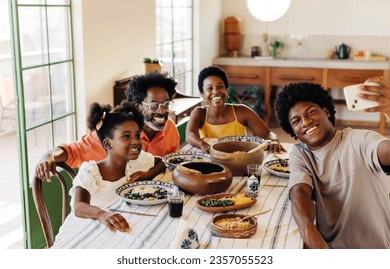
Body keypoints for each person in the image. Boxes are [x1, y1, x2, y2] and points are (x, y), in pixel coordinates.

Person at [274, 82, 390, 249]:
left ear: (326, 112)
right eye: (296, 121)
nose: (305, 122)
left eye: (311, 112)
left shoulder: (357, 140)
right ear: (292, 130)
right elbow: (299, 194)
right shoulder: (301, 154)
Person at [35, 72, 179, 182]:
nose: (162, 111)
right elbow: (73, 151)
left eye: (166, 105)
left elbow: (169, 161)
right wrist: (48, 156)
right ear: (138, 107)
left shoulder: (170, 129)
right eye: (154, 105)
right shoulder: (113, 131)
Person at [70, 101, 154, 232]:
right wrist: (102, 214)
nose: (136, 141)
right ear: (108, 144)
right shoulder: (91, 172)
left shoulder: (136, 161)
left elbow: (161, 162)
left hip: (112, 229)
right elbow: (79, 206)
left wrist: (148, 174)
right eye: (126, 136)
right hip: (83, 230)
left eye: (137, 135)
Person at [185, 66, 282, 153]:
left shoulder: (242, 111)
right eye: (210, 88)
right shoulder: (199, 112)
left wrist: (274, 140)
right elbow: (190, 135)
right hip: (210, 158)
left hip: (238, 159)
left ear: (227, 91)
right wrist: (203, 145)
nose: (216, 92)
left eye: (220, 86)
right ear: (202, 95)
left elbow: (267, 134)